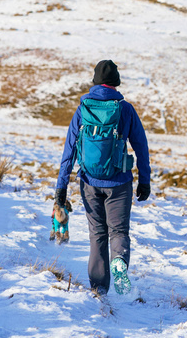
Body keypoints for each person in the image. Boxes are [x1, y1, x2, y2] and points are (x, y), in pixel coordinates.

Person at [55, 59, 151, 295]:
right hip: (119, 182)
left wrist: (61, 187)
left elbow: (69, 150)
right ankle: (119, 261)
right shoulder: (125, 109)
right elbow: (141, 145)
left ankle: (98, 292)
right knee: (118, 232)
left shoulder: (83, 109)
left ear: (95, 82)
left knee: (97, 235)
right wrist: (145, 179)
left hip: (88, 182)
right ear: (116, 83)